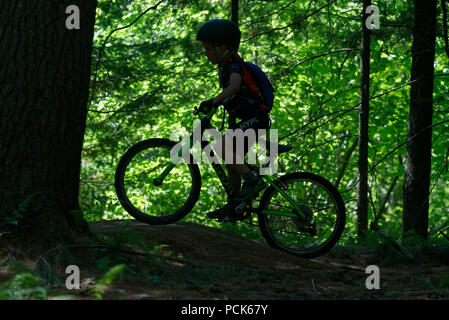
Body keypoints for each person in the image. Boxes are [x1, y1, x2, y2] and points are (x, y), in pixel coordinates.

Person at [196, 19, 271, 220]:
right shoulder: (227, 64)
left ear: (222, 48)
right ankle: (235, 205)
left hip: (256, 119)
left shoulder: (234, 65)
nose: (206, 54)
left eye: (208, 49)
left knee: (221, 148)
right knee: (232, 162)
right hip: (252, 120)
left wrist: (214, 101)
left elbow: (235, 86)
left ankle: (253, 181)